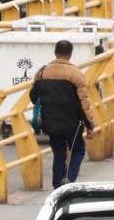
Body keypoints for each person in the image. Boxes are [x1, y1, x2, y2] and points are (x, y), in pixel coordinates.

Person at [29, 39, 97, 189]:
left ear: (55, 53)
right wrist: (90, 124)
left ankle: (57, 185)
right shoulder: (76, 74)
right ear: (70, 55)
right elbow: (84, 102)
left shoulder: (42, 73)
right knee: (78, 150)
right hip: (73, 122)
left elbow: (33, 97)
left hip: (50, 121)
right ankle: (69, 180)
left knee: (58, 152)